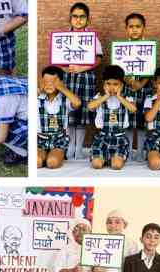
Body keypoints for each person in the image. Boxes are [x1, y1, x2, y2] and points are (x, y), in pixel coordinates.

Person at [60, 2, 103, 160]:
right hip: (68, 79)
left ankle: (79, 149)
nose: (78, 20)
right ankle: (70, 146)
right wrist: (65, 69)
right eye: (75, 16)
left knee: (83, 113)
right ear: (70, 18)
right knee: (70, 113)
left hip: (85, 78)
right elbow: (57, 59)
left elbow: (98, 59)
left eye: (82, 16)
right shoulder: (63, 37)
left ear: (88, 19)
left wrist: (82, 68)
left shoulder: (92, 38)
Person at [86, 65, 137, 170]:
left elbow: (133, 109)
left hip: (119, 139)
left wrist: (119, 96)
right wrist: (106, 96)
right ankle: (104, 157)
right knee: (96, 164)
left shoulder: (126, 98)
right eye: (108, 84)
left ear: (121, 85)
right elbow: (90, 106)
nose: (112, 87)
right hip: (102, 138)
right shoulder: (100, 97)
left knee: (116, 166)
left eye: (115, 84)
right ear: (104, 83)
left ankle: (114, 158)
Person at [121, 13, 152, 162]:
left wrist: (141, 83)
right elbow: (119, 69)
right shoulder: (121, 48)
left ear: (144, 28)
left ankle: (140, 152)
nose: (134, 30)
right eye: (131, 26)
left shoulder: (150, 47)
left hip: (144, 88)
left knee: (141, 122)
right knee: (127, 121)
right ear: (126, 29)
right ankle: (126, 151)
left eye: (138, 26)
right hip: (127, 88)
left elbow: (152, 69)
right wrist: (128, 81)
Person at [37, 65, 82, 169]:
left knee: (52, 163)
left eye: (53, 81)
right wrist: (39, 89)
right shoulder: (38, 99)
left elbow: (77, 103)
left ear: (60, 82)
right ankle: (43, 154)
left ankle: (54, 155)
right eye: (46, 81)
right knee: (37, 162)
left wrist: (62, 88)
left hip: (58, 140)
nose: (49, 84)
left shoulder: (64, 100)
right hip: (40, 139)